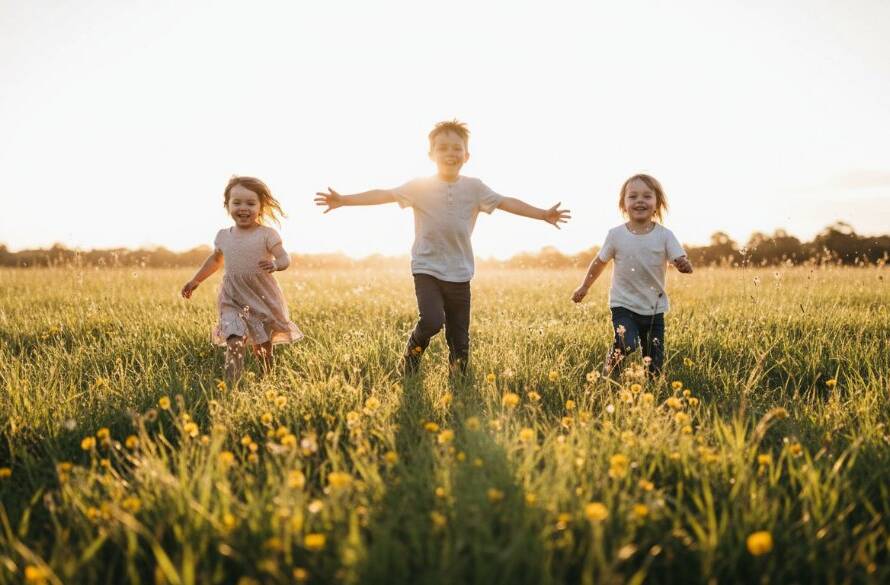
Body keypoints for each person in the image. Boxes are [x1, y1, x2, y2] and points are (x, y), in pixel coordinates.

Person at [315, 119, 570, 374]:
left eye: (456, 148)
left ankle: (458, 379)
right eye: (443, 148)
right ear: (431, 154)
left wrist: (542, 214)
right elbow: (384, 194)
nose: (450, 153)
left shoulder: (475, 187)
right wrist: (344, 200)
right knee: (432, 320)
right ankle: (411, 357)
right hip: (427, 267)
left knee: (460, 337)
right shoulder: (419, 187)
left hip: (460, 272)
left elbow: (506, 202)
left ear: (466, 155)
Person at [182, 176, 302, 383]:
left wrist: (275, 264)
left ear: (261, 206)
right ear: (227, 205)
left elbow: (284, 257)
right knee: (234, 340)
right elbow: (215, 260)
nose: (243, 207)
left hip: (261, 296)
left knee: (262, 348)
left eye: (250, 203)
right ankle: (231, 384)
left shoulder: (267, 234)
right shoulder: (223, 236)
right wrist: (196, 280)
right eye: (236, 202)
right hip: (232, 297)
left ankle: (267, 381)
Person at [571, 174, 692, 377]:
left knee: (654, 366)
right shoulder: (616, 235)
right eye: (633, 196)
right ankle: (611, 369)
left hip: (654, 309)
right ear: (623, 204)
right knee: (627, 343)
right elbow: (600, 261)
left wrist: (683, 265)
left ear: (657, 204)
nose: (640, 201)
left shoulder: (665, 235)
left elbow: (679, 258)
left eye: (647, 196)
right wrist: (584, 286)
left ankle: (650, 394)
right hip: (623, 305)